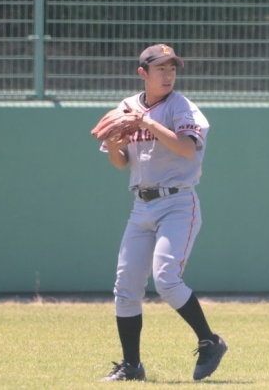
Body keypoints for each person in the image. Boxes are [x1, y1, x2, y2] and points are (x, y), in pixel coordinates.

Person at [97, 44, 227, 382]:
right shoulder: (127, 107)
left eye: (172, 68)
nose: (168, 74)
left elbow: (186, 149)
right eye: (161, 68)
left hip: (177, 203)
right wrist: (114, 145)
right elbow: (120, 162)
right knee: (126, 286)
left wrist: (146, 122)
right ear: (143, 73)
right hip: (141, 205)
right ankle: (132, 366)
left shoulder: (181, 107)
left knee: (166, 278)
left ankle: (210, 341)